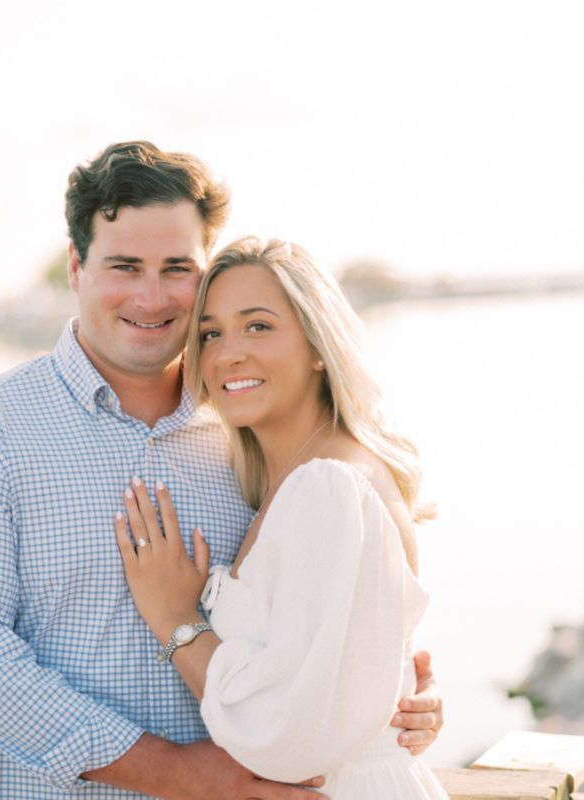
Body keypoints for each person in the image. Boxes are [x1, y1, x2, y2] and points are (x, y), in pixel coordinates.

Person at [0, 142, 443, 800]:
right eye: (125, 266)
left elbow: (324, 618)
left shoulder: (250, 434)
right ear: (76, 267)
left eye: (177, 269)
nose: (152, 296)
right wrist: (177, 773)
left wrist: (392, 695)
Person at [114, 236, 449, 798]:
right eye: (210, 334)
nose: (228, 354)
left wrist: (175, 619)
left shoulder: (328, 485)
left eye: (258, 326)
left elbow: (283, 736)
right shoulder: (287, 482)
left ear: (318, 344)